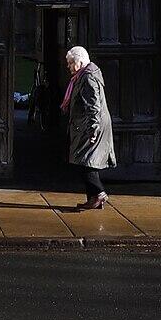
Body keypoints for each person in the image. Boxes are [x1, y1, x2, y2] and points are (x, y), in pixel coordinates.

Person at [62, 44, 115, 211]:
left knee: (85, 162)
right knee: (87, 161)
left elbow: (93, 106)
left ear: (80, 61)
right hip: (87, 125)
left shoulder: (88, 78)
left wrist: (92, 129)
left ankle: (99, 193)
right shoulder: (82, 76)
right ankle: (93, 199)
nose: (69, 66)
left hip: (91, 126)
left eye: (71, 63)